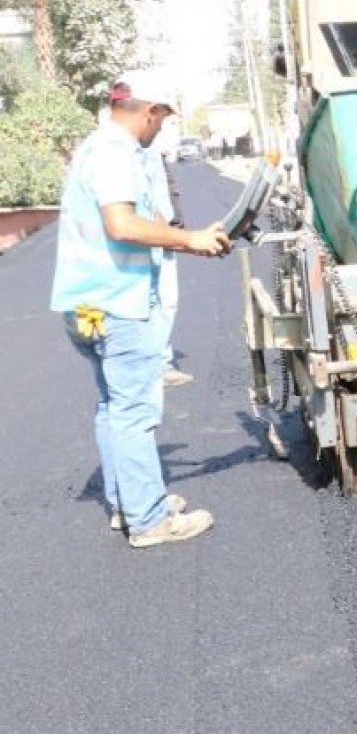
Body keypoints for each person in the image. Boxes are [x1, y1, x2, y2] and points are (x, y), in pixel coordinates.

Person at [50, 71, 230, 548]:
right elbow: (122, 224)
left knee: (113, 406)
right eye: (163, 120)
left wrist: (185, 238)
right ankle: (149, 520)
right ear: (149, 112)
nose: (161, 130)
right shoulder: (114, 153)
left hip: (86, 304)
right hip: (117, 305)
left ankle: (129, 502)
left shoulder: (94, 148)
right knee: (133, 411)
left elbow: (137, 219)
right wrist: (189, 238)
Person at [140, 142, 192, 387]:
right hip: (150, 237)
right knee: (156, 301)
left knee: (166, 301)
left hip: (163, 235)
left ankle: (159, 361)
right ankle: (156, 365)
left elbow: (164, 192)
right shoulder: (130, 151)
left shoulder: (151, 149)